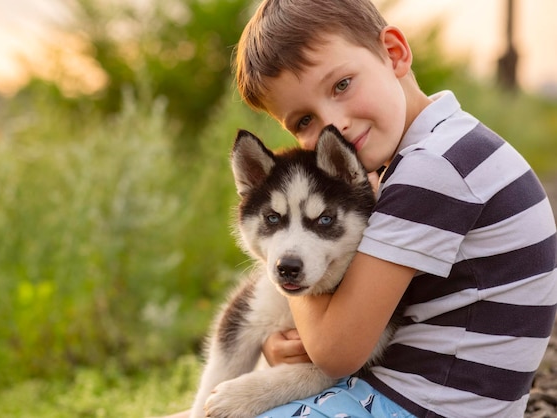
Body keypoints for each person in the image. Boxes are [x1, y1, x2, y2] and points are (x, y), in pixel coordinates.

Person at [163, 0, 557, 416]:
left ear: (395, 53)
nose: (336, 124)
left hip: (422, 406)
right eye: (303, 122)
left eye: (342, 84)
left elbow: (335, 352)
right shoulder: (444, 146)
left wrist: (288, 267)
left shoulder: (434, 170)